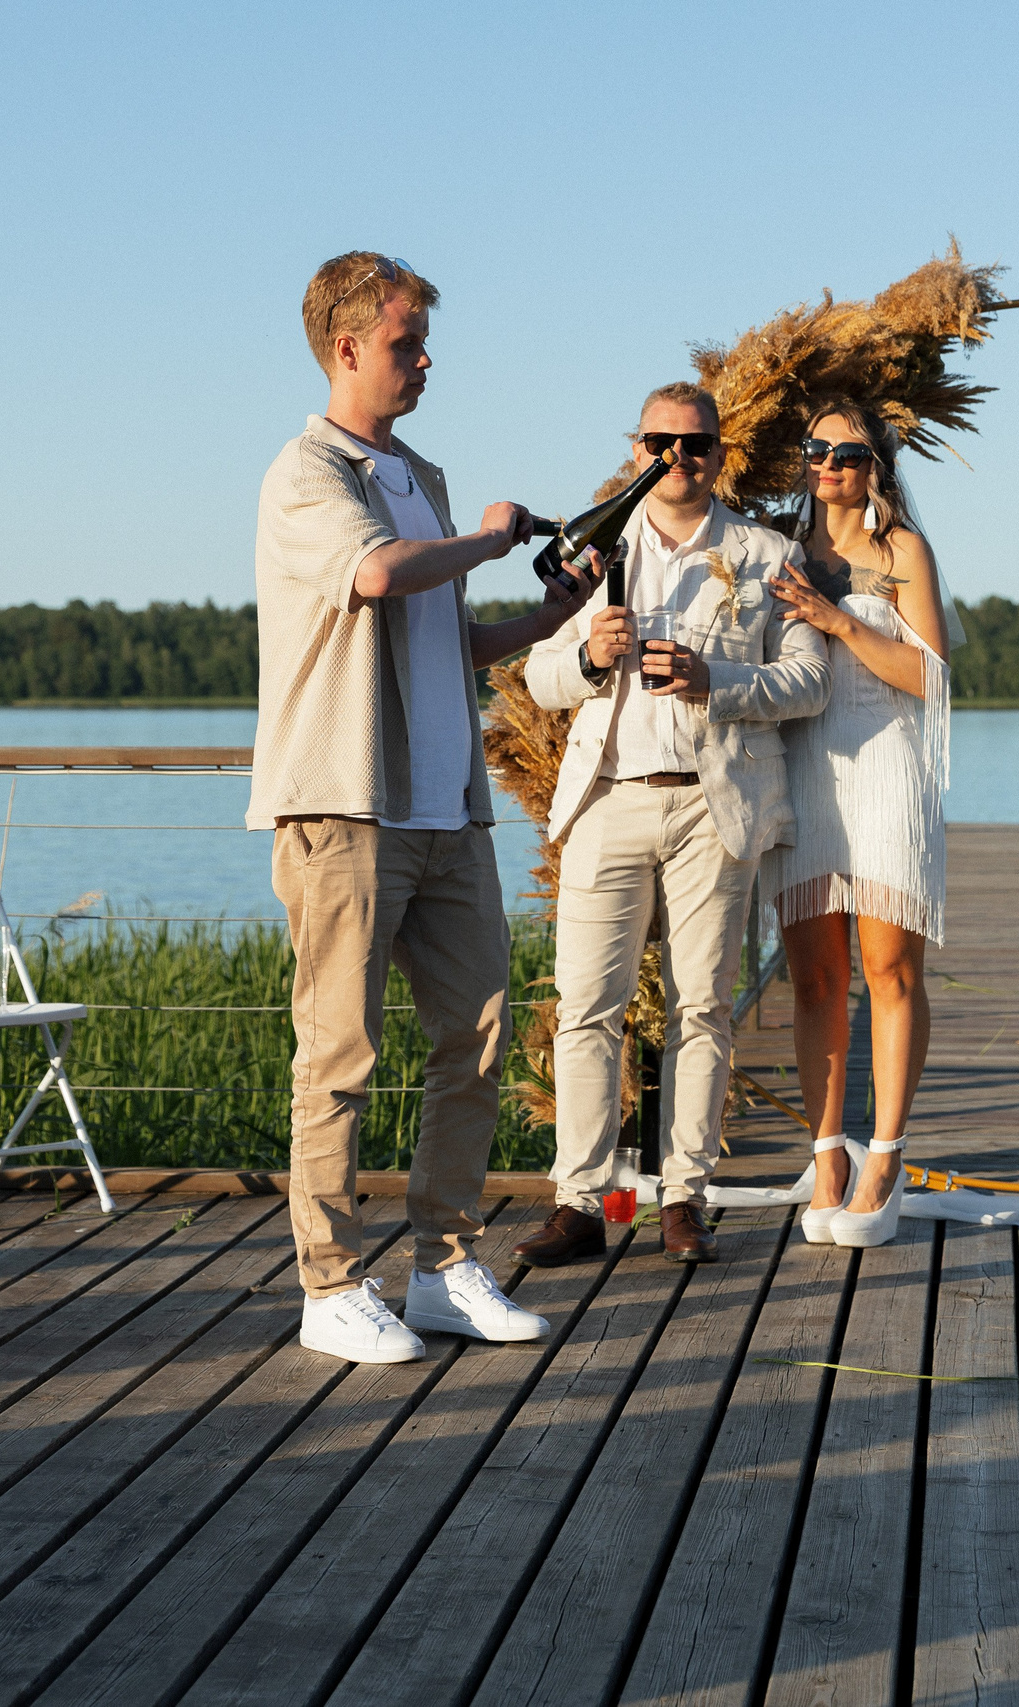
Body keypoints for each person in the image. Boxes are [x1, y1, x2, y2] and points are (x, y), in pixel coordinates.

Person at [251, 252, 599, 1364]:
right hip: (345, 808)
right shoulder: (308, 470)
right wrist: (490, 541)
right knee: (338, 1057)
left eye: (424, 342)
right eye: (407, 343)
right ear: (346, 346)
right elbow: (375, 576)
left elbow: (443, 636)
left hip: (449, 812)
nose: (424, 360)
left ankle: (445, 1269)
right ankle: (329, 1286)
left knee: (476, 1042)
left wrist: (544, 619)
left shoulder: (422, 477)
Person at [510, 382, 830, 1267]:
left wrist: (713, 681)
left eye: (693, 444)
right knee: (586, 1006)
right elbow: (538, 678)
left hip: (710, 805)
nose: (675, 458)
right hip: (609, 798)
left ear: (719, 454)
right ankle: (581, 1201)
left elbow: (809, 680)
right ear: (637, 448)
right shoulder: (594, 551)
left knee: (703, 1006)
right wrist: (588, 656)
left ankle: (684, 1198)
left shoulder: (766, 554)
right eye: (660, 443)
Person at [762, 400, 954, 1249]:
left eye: (849, 452)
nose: (831, 463)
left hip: (887, 768)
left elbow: (931, 675)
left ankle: (886, 1157)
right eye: (817, 448)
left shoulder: (902, 550)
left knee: (888, 970)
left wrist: (838, 619)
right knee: (814, 978)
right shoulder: (777, 548)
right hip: (803, 771)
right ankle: (827, 1157)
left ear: (878, 463)